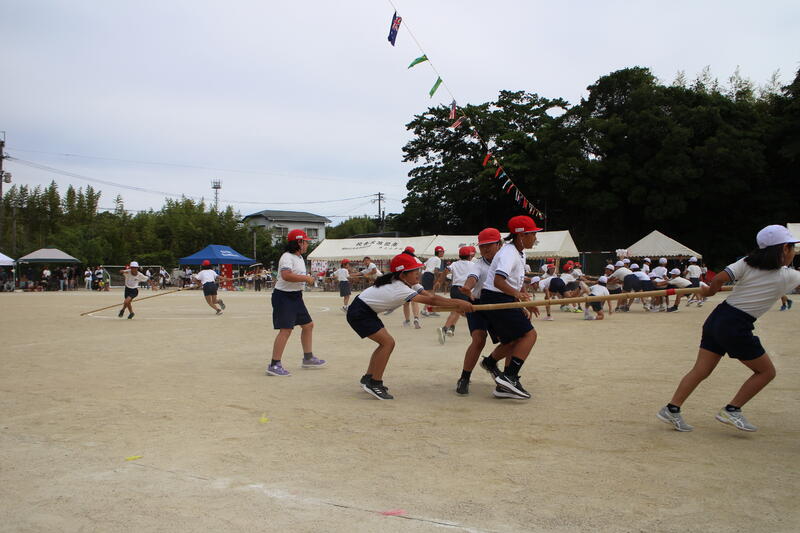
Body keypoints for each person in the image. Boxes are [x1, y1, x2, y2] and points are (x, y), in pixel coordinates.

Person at [657, 225, 800, 432]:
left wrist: (709, 292)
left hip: (718, 317)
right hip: (736, 325)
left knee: (701, 370)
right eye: (792, 248)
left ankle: (672, 408)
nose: (794, 252)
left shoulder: (747, 262)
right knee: (766, 372)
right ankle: (732, 410)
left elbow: (718, 279)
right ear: (784, 249)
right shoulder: (789, 276)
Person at [346, 252, 473, 400]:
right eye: (414, 271)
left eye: (418, 269)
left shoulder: (405, 282)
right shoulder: (400, 288)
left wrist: (456, 305)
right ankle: (375, 383)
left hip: (364, 310)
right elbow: (431, 301)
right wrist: (459, 302)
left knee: (384, 343)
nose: (418, 273)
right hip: (360, 313)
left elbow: (430, 296)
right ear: (403, 275)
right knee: (387, 343)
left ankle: (369, 378)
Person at [479, 215, 542, 400]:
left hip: (501, 297)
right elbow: (499, 281)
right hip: (497, 297)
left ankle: (495, 370)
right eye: (532, 234)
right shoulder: (508, 253)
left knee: (513, 341)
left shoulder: (519, 252)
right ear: (521, 236)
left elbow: (517, 281)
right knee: (529, 335)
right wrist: (516, 295)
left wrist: (526, 302)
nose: (535, 238)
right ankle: (509, 377)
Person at [266, 229, 326, 377]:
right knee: (286, 330)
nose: (307, 245)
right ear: (299, 242)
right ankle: (274, 364)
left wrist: (306, 278)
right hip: (283, 296)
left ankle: (308, 358)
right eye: (305, 242)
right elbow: (286, 275)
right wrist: (306, 278)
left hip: (296, 296)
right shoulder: (287, 257)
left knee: (308, 325)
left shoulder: (299, 257)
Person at [455, 229, 503, 395]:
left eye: (489, 245)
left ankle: (498, 369)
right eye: (482, 246)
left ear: (499, 244)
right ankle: (464, 377)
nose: (486, 249)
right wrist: (467, 288)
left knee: (510, 340)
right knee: (478, 339)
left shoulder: (506, 260)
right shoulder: (478, 264)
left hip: (499, 305)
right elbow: (473, 277)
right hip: (477, 305)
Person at [438, 246, 476, 343]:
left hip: (454, 289)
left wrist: (440, 281)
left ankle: (451, 328)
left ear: (459, 256)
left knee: (455, 310)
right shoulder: (473, 264)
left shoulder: (455, 263)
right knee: (460, 311)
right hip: (465, 290)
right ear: (470, 256)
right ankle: (445, 329)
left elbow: (446, 271)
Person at [420, 246, 445, 317]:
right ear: (439, 252)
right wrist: (437, 280)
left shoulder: (431, 258)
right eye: (442, 251)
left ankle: (430, 310)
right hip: (430, 276)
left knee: (431, 294)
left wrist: (428, 269)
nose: (443, 253)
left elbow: (423, 266)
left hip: (426, 275)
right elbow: (436, 271)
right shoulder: (438, 259)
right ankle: (425, 310)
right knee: (430, 294)